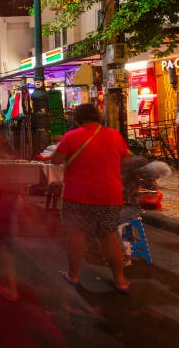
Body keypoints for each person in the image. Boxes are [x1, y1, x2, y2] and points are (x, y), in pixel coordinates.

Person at [51, 103, 131, 293]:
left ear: (78, 119)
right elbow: (126, 159)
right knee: (108, 234)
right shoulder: (114, 135)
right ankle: (120, 280)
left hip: (79, 194)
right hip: (110, 194)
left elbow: (56, 160)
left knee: (76, 234)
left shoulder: (72, 136)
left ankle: (74, 275)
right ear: (98, 117)